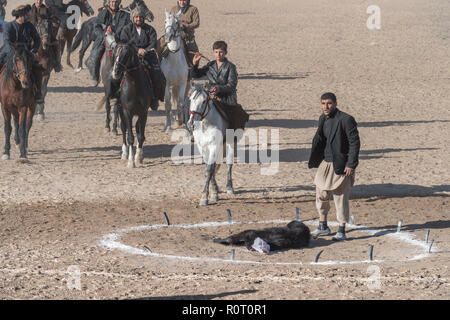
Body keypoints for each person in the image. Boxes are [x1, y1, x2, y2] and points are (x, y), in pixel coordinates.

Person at [308, 92, 360, 241]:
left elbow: (354, 143)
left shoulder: (346, 119)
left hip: (341, 165)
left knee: (340, 197)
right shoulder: (322, 119)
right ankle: (323, 226)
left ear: (335, 104)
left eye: (329, 103)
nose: (326, 106)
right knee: (321, 194)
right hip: (325, 163)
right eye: (323, 103)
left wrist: (351, 164)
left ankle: (341, 230)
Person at [119, 6, 165, 108]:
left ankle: (155, 98)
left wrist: (146, 50)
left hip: (148, 56)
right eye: (136, 17)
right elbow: (124, 42)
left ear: (143, 18)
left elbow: (153, 42)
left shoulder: (150, 29)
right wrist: (137, 50)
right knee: (118, 71)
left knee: (157, 73)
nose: (138, 19)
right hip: (131, 56)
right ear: (133, 18)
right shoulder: (126, 29)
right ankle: (117, 97)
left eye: (140, 17)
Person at [0, 5, 44, 103]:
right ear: (20, 15)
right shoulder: (9, 26)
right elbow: (7, 41)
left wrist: (34, 50)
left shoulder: (30, 25)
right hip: (10, 52)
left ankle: (38, 92)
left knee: (37, 68)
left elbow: (37, 39)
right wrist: (13, 52)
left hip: (26, 53)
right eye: (26, 14)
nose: (28, 16)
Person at [85, 0, 130, 86]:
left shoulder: (125, 14)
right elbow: (97, 27)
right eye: (112, 1)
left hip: (119, 39)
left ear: (119, 3)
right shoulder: (103, 12)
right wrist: (103, 34)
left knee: (127, 55)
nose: (114, 4)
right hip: (103, 39)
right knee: (95, 54)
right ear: (109, 2)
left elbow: (125, 27)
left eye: (116, 2)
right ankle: (95, 76)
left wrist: (114, 31)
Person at [191, 40, 237, 105]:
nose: (218, 54)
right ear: (213, 52)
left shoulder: (231, 67)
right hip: (211, 97)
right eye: (216, 52)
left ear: (225, 52)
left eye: (220, 52)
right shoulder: (210, 65)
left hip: (227, 99)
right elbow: (195, 75)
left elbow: (232, 85)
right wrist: (195, 64)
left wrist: (219, 88)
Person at [30, 0, 63, 72]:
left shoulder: (47, 9)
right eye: (37, 0)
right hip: (32, 33)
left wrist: (53, 19)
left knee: (57, 44)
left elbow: (55, 19)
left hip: (46, 32)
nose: (39, 2)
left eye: (40, 0)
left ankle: (57, 63)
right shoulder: (29, 10)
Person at [169, 0, 199, 68]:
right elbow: (169, 21)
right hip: (175, 36)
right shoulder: (173, 9)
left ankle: (193, 70)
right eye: (180, 0)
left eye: (184, 0)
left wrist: (185, 26)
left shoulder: (193, 9)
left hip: (188, 37)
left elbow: (196, 23)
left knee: (194, 53)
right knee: (162, 47)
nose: (182, 3)